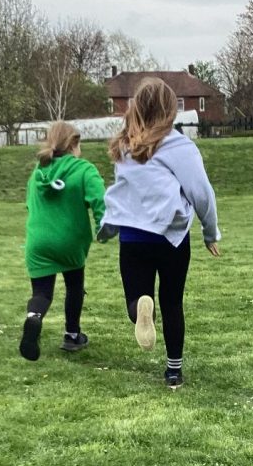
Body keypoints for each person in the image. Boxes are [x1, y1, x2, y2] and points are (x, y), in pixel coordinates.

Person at [99, 77, 220, 390]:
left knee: (137, 297)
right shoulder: (179, 146)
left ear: (137, 107)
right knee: (172, 301)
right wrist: (210, 232)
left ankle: (141, 308)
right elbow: (201, 193)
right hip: (171, 237)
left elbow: (125, 191)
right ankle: (173, 372)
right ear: (169, 109)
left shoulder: (125, 145)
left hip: (133, 237)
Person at [19, 122, 106, 361]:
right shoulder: (84, 169)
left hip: (38, 241)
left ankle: (34, 317)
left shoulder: (38, 172)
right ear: (74, 144)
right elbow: (100, 200)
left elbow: (29, 204)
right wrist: (102, 226)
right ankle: (72, 335)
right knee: (74, 286)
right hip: (70, 241)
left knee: (42, 292)